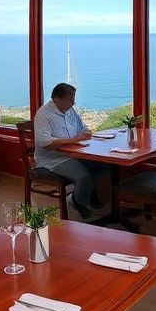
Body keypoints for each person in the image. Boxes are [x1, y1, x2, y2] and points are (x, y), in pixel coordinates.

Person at [33, 83, 110, 219]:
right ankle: (76, 203)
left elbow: (82, 127)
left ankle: (86, 197)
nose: (73, 102)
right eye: (70, 99)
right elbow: (45, 143)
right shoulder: (44, 115)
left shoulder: (70, 111)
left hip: (74, 154)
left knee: (103, 166)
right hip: (54, 159)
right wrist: (73, 140)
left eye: (73, 98)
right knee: (84, 177)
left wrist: (86, 132)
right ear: (57, 99)